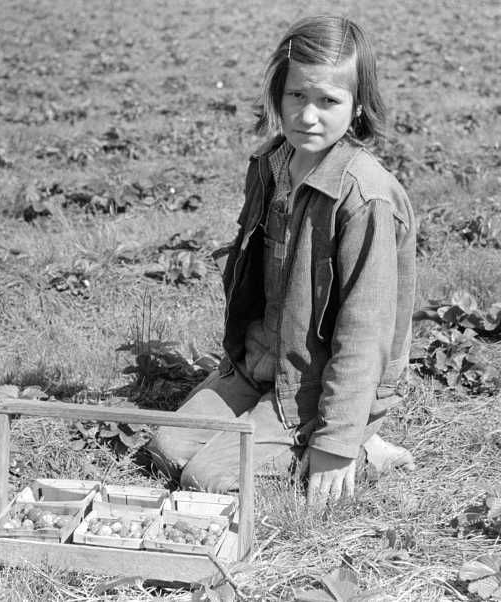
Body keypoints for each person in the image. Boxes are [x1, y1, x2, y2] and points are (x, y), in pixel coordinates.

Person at [148, 14, 416, 508]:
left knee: (205, 480)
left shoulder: (365, 198)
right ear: (279, 93)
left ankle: (354, 443)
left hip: (314, 385)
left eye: (328, 101)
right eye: (297, 96)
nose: (308, 116)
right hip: (259, 366)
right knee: (166, 449)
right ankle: (290, 424)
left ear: (358, 107)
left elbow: (366, 331)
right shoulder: (271, 166)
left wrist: (334, 444)